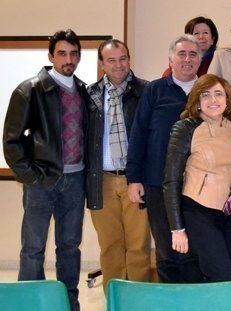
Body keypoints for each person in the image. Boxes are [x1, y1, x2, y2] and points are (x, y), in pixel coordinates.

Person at [3, 29, 92, 311]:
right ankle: (29, 304)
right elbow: (11, 140)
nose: (69, 59)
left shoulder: (83, 90)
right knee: (33, 249)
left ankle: (68, 303)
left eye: (74, 53)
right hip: (42, 182)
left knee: (69, 249)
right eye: (62, 53)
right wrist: (31, 176)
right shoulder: (29, 90)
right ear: (50, 56)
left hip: (75, 181)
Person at [126, 34, 203, 283]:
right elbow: (138, 135)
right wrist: (133, 178)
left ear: (200, 60)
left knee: (195, 248)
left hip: (199, 186)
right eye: (182, 54)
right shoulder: (154, 90)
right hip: (157, 184)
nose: (188, 59)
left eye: (193, 54)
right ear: (170, 58)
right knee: (167, 249)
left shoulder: (209, 91)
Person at [162, 74, 231, 283]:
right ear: (197, 101)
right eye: (206, 95)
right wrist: (177, 229)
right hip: (198, 212)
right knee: (220, 276)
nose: (213, 100)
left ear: (227, 99)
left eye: (218, 94)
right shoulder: (185, 128)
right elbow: (171, 180)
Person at [86, 39, 151, 290]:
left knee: (138, 245)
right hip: (100, 181)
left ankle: (139, 301)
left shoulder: (146, 91)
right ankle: (114, 301)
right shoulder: (90, 95)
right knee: (110, 245)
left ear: (129, 59)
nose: (118, 64)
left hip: (135, 179)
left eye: (122, 58)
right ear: (102, 64)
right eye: (111, 60)